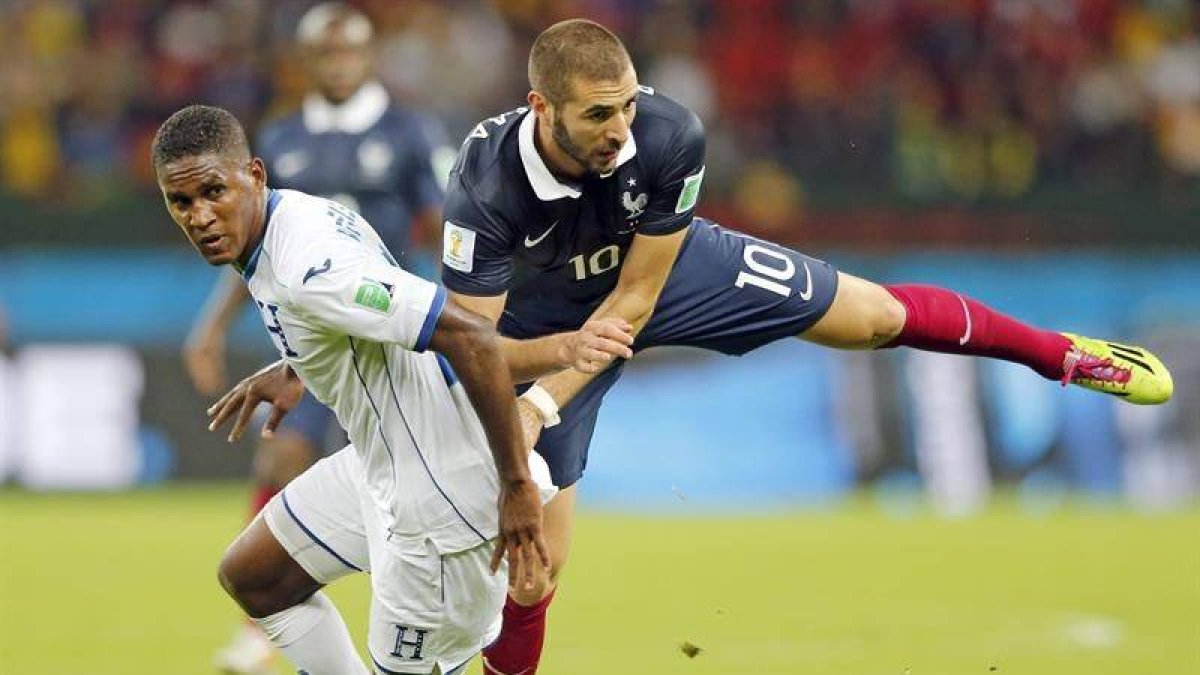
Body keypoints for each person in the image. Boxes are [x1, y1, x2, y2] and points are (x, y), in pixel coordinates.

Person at [434, 19, 1176, 675]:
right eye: (598, 114)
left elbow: (636, 297)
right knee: (534, 571)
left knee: (875, 316)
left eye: (627, 105)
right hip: (542, 327)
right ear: (541, 109)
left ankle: (1062, 355)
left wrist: (540, 408)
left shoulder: (668, 135)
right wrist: (531, 401)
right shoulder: (485, 184)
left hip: (661, 276)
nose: (620, 129)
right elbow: (475, 344)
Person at [153, 103, 556, 675]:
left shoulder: (308, 271)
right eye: (182, 202)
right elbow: (356, 319)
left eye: (213, 192)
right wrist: (300, 365)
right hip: (381, 464)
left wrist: (514, 484)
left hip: (439, 501)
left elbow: (472, 338)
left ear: (255, 176)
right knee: (255, 575)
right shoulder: (291, 216)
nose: (200, 216)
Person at [179, 6, 453, 670]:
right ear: (307, 62)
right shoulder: (279, 137)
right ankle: (260, 628)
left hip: (387, 335)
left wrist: (453, 316)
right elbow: (250, 247)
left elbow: (449, 226)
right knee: (278, 459)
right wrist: (213, 325)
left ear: (369, 57)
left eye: (350, 52)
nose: (338, 65)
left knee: (403, 490)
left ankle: (429, 625)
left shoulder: (412, 133)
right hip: (313, 344)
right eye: (324, 55)